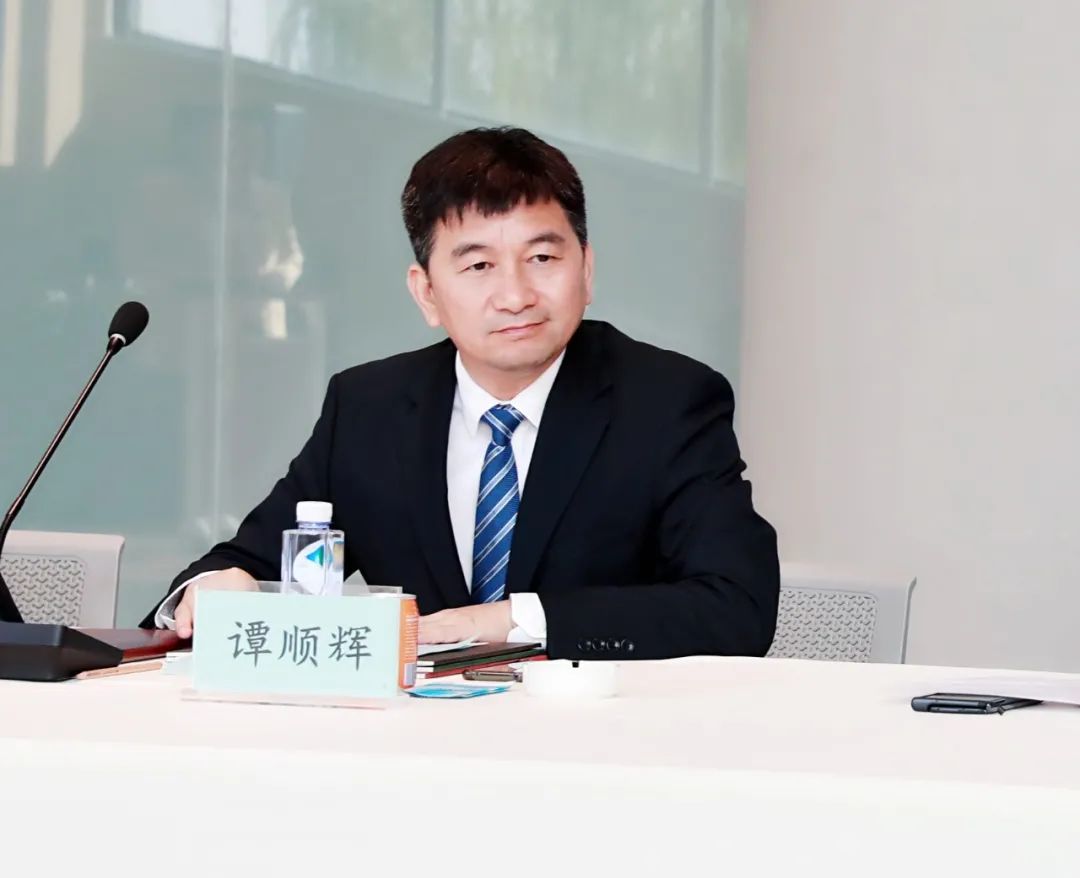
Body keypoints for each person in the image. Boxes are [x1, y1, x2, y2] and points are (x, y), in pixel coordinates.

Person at [143, 127, 779, 660]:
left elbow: (736, 608)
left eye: (542, 259)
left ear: (586, 270)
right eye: (478, 266)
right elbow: (245, 562)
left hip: (598, 740)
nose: (515, 295)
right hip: (414, 743)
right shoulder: (369, 408)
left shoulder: (667, 402)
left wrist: (513, 621)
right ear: (426, 293)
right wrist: (211, 588)